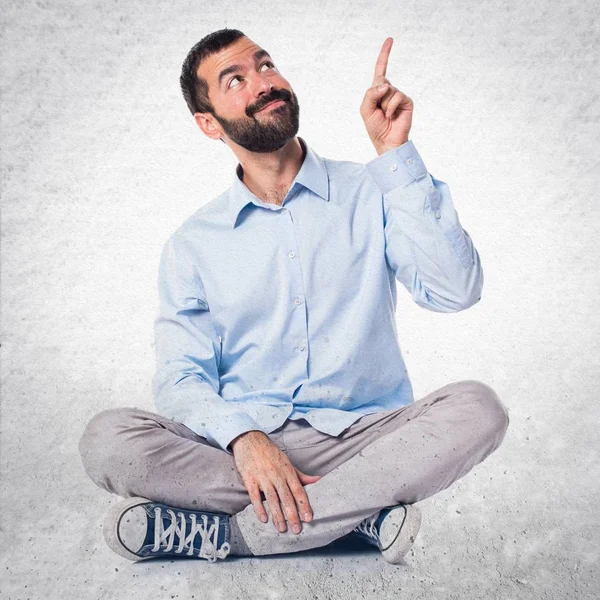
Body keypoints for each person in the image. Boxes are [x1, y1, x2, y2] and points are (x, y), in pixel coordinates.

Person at [78, 28, 509, 565]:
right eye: (236, 79)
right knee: (107, 438)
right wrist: (245, 439)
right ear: (209, 124)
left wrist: (395, 155)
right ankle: (357, 512)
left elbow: (456, 290)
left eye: (265, 65)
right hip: (241, 452)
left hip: (365, 440)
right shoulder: (193, 243)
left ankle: (237, 537)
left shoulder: (376, 188)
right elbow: (180, 377)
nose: (264, 83)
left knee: (479, 408)